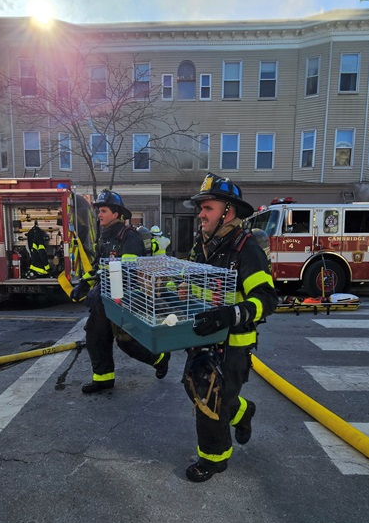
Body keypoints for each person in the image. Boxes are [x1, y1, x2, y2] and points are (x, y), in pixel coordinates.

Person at [182, 173, 279, 482]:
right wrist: (173, 289)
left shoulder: (246, 249)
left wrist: (229, 315)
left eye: (207, 208)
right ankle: (241, 411)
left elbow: (267, 299)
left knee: (210, 397)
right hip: (202, 336)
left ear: (228, 211)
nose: (201, 214)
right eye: (201, 208)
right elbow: (192, 285)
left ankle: (214, 459)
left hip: (232, 342)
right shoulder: (202, 245)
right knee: (193, 387)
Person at [71, 189, 170, 393]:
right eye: (99, 211)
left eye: (103, 211)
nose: (99, 215)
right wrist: (84, 283)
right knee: (95, 337)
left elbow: (127, 274)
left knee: (127, 343)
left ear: (116, 214)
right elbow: (98, 266)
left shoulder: (129, 237)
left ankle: (160, 358)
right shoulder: (104, 237)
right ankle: (103, 379)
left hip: (123, 301)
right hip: (104, 300)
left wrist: (101, 287)